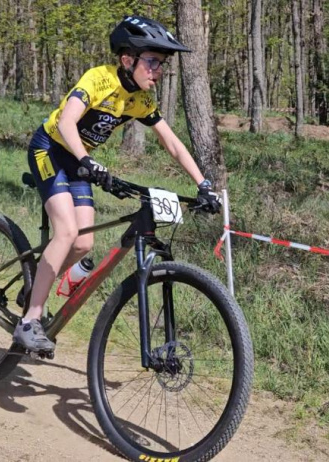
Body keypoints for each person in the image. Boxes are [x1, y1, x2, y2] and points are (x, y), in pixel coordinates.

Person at [14, 15, 222, 352]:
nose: (158, 71)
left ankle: (36, 282)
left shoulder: (140, 100)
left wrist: (203, 185)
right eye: (152, 62)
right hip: (50, 148)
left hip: (79, 160)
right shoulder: (99, 79)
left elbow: (172, 143)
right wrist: (88, 162)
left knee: (82, 245)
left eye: (162, 64)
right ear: (128, 60)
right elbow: (67, 122)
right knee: (66, 232)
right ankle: (30, 319)